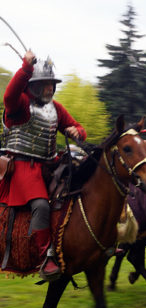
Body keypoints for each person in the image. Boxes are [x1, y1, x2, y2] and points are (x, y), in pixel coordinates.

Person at [0, 51, 87, 281]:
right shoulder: (20, 105)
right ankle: (46, 256)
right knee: (41, 205)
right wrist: (26, 67)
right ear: (33, 85)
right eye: (45, 85)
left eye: (52, 85)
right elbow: (8, 97)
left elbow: (79, 129)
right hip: (22, 167)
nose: (50, 89)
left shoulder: (55, 108)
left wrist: (76, 132)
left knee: (83, 183)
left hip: (49, 164)